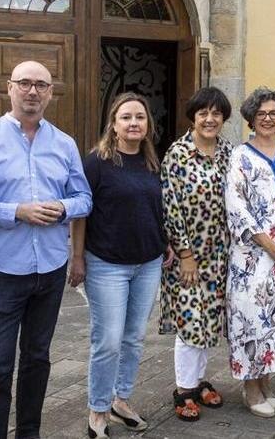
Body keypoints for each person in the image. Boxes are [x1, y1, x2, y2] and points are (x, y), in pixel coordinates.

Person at [0, 60, 93, 439]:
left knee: (37, 359)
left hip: (48, 269)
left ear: (50, 93)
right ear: (9, 88)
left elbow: (84, 199)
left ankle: (29, 431)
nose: (33, 91)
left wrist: (63, 207)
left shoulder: (64, 144)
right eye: (24, 83)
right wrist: (16, 211)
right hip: (3, 271)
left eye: (41, 85)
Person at [70, 92, 168, 439]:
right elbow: (80, 214)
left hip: (149, 262)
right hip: (106, 264)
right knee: (108, 339)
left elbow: (157, 209)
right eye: (126, 117)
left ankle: (120, 399)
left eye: (139, 117)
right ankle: (98, 408)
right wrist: (77, 257)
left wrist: (164, 243)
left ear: (147, 125)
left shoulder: (153, 162)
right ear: (113, 124)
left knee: (134, 337)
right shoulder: (96, 162)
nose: (133, 123)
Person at [224, 87, 275, 417]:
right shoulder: (239, 156)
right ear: (251, 119)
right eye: (261, 114)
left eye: (274, 113)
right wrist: (270, 245)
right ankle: (250, 388)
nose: (268, 119)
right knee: (253, 319)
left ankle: (267, 382)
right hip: (253, 257)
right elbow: (236, 206)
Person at [158, 87, 234, 422]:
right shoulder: (177, 154)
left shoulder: (229, 152)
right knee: (190, 321)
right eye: (203, 113)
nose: (210, 119)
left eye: (216, 113)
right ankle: (183, 389)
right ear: (193, 116)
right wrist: (185, 253)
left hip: (220, 253)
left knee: (209, 321)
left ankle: (199, 379)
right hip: (188, 254)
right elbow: (170, 206)